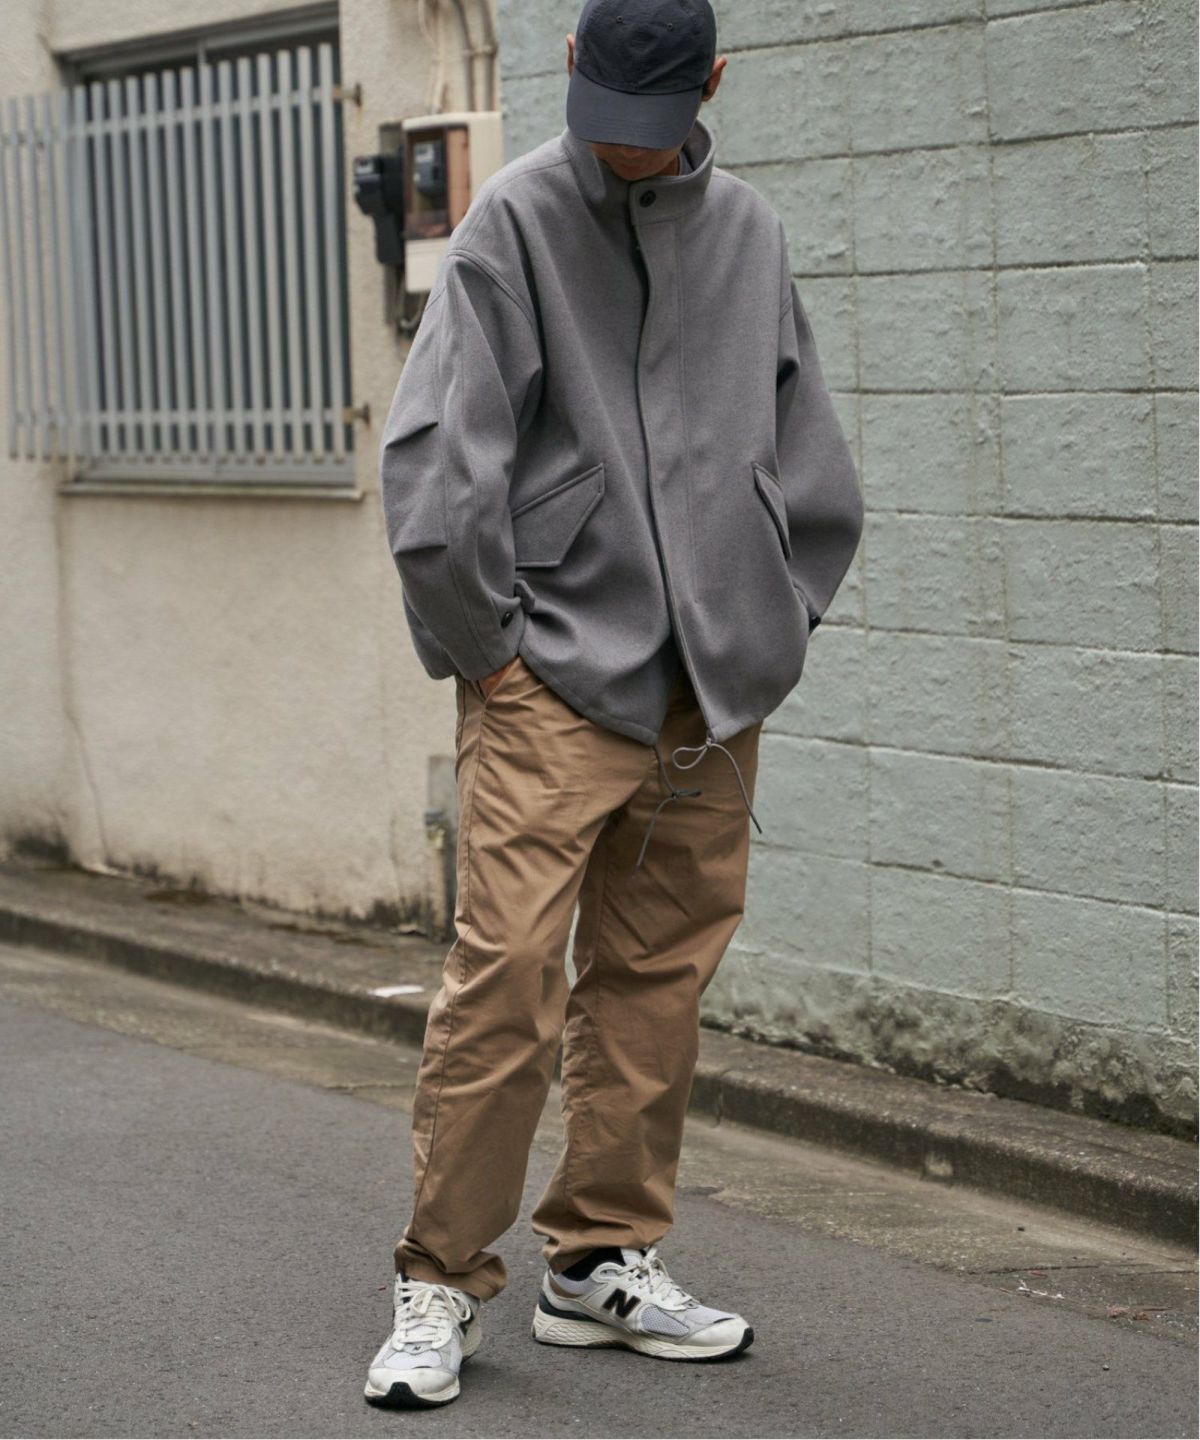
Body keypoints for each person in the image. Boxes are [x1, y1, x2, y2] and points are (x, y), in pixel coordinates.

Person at [366, 0, 863, 1408]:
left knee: (654, 984)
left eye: (658, 124)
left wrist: (774, 616)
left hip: (710, 694)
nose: (628, 152)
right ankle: (439, 1279)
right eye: (606, 120)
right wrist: (491, 654)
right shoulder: (515, 224)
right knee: (506, 983)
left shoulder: (748, 232)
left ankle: (597, 1261)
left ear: (714, 82)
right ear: (574, 68)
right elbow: (437, 460)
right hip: (550, 681)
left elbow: (805, 447)